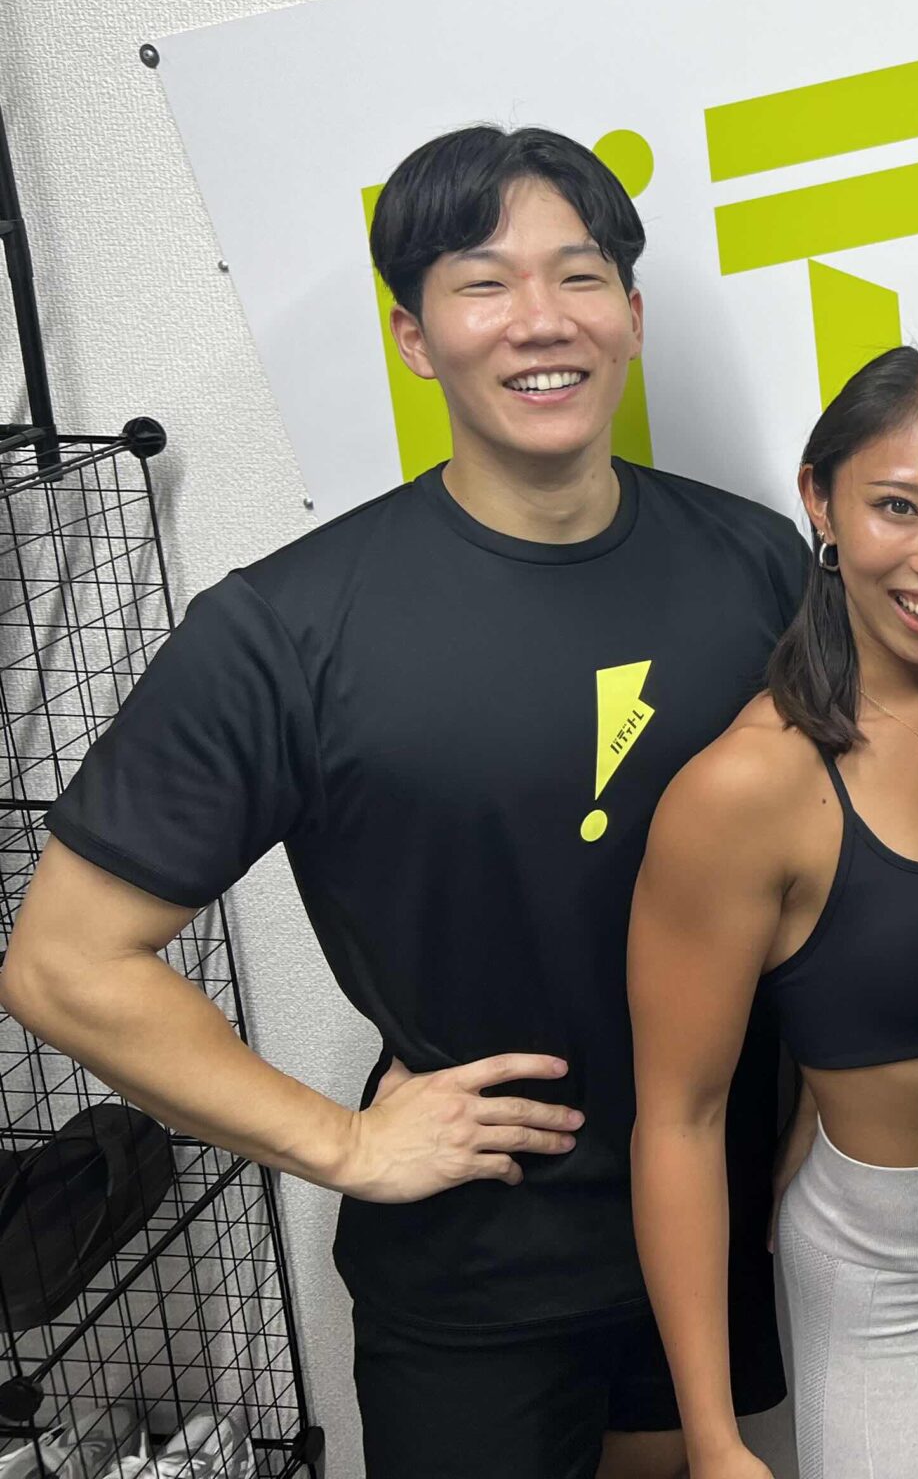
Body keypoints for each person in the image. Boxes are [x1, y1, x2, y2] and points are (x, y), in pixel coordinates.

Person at [0, 127, 799, 1479]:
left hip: (717, 1225)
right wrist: (345, 1144)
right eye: (483, 283)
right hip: (477, 1272)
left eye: (579, 275)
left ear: (630, 312)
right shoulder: (288, 629)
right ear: (414, 337)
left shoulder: (756, 562)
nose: (540, 319)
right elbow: (64, 964)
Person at [629, 342, 918, 1479]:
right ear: (820, 501)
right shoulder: (749, 787)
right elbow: (680, 1120)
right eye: (897, 506)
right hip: (889, 1285)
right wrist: (712, 1438)